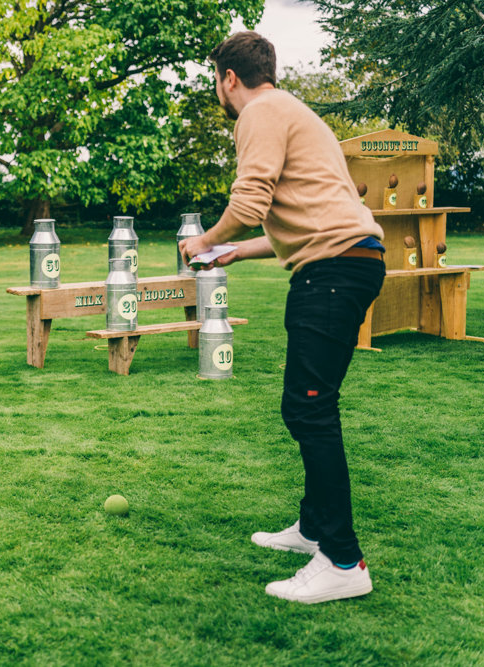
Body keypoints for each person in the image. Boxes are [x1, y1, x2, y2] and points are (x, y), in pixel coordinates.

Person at [180, 31, 386, 604]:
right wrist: (234, 252)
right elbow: (308, 219)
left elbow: (250, 204)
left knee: (309, 409)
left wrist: (205, 240)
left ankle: (342, 560)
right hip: (351, 262)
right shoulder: (294, 111)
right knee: (309, 406)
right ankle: (314, 528)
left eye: (215, 80)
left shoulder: (260, 112)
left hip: (333, 272)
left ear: (228, 78)